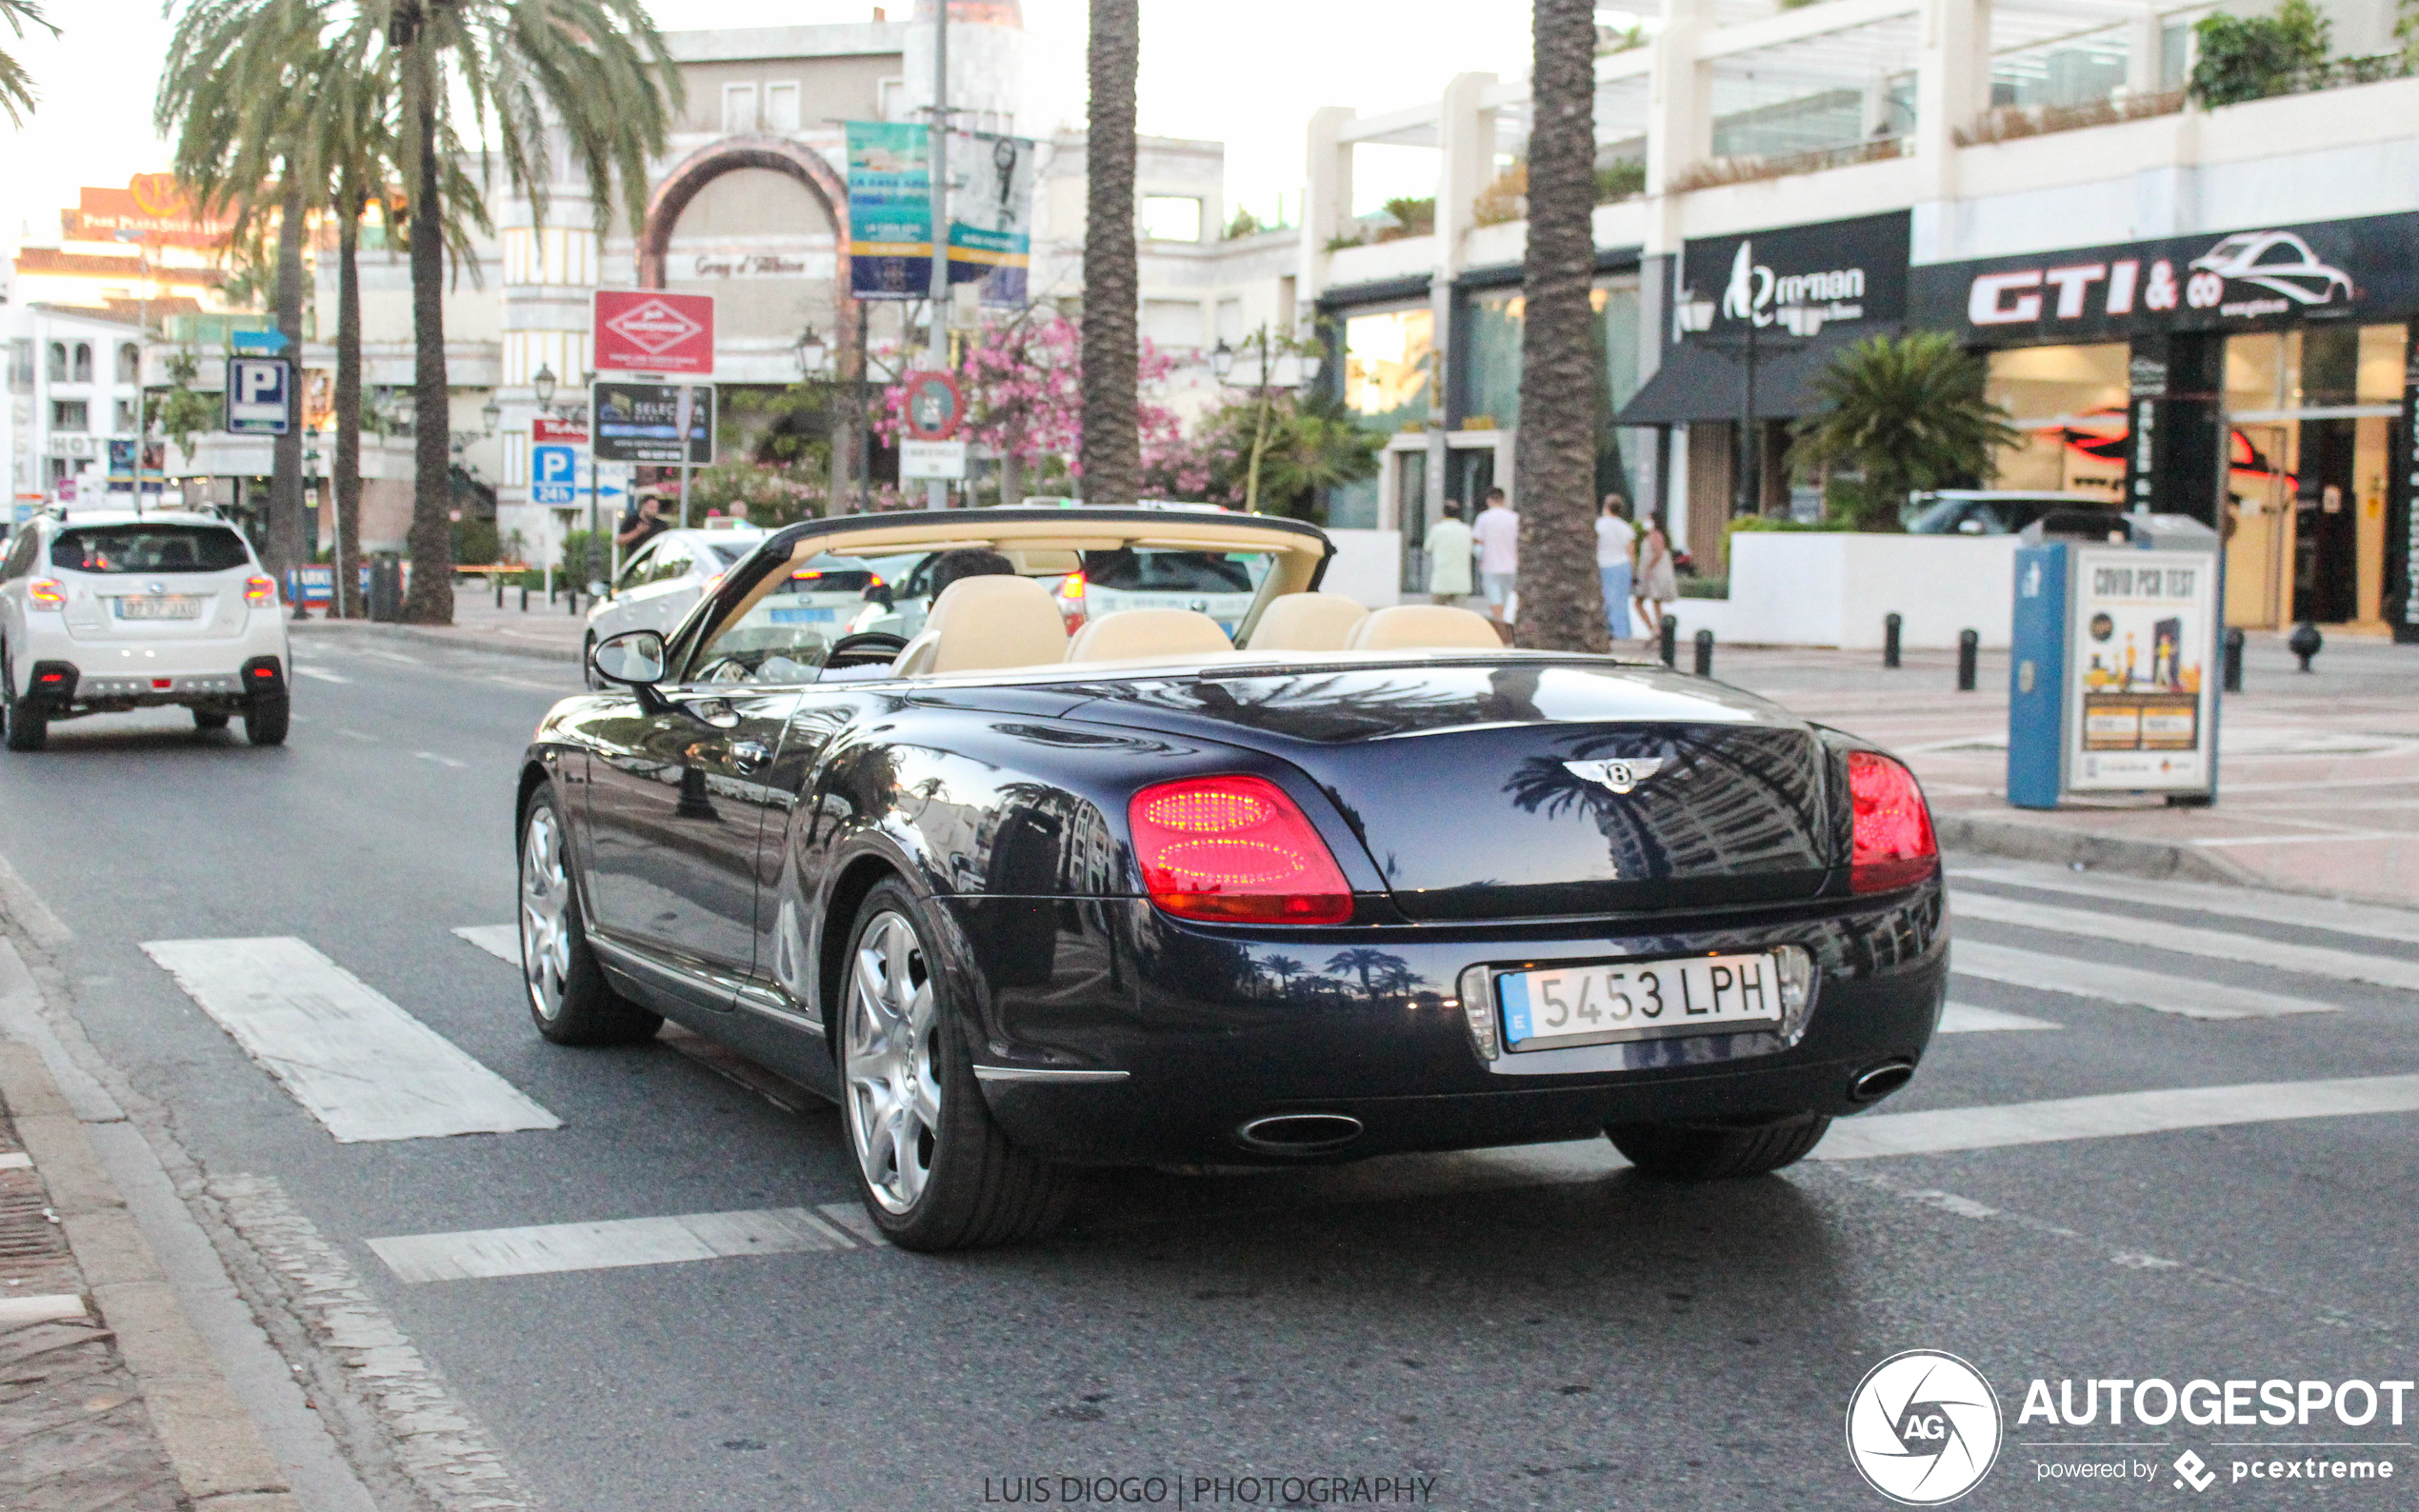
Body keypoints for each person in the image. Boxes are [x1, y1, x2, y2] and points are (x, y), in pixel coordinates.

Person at [1470, 487, 1519, 622]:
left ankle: (1500, 628)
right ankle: (1509, 626)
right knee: (1509, 600)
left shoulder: (1483, 518)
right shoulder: (1514, 518)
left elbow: (1478, 543)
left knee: (1495, 600)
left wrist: (1479, 558)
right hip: (1511, 567)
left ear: (1488, 500)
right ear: (1504, 500)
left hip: (1491, 566)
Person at [1596, 494, 1635, 641]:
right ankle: (1621, 632)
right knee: (1620, 600)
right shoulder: (1626, 527)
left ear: (1606, 507)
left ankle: (1605, 629)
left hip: (1603, 564)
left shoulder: (1599, 525)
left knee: (1604, 599)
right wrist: (1633, 572)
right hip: (1621, 565)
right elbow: (1630, 552)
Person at [1634, 511, 1678, 639]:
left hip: (1654, 574)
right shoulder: (1654, 535)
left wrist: (1649, 567)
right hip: (1652, 574)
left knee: (1648, 601)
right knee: (1654, 602)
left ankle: (1656, 630)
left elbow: (1658, 553)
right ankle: (1657, 630)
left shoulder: (1655, 535)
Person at [1425, 501, 1475, 606]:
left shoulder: (1436, 529)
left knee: (1439, 616)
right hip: (1461, 582)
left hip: (1440, 581)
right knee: (1459, 617)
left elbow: (1427, 548)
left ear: (1444, 514)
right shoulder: (1466, 530)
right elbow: (1472, 549)